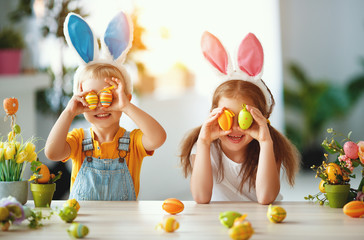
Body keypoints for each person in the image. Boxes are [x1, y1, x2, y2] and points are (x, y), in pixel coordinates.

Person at [45, 12, 166, 201]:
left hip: (123, 224)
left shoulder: (133, 142)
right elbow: (52, 153)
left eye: (108, 97)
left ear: (124, 98)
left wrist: (126, 106)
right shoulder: (78, 140)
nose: (101, 106)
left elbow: (158, 138)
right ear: (80, 100)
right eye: (92, 98)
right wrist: (68, 112)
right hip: (84, 223)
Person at [180, 32, 299, 204]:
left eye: (245, 118)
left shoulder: (268, 145)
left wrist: (266, 143)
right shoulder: (203, 146)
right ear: (213, 116)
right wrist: (204, 143)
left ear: (262, 118)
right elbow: (201, 197)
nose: (235, 127)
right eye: (227, 117)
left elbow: (266, 198)